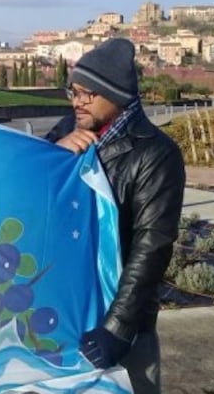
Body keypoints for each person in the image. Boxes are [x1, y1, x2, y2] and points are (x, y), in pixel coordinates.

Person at [45, 38, 185, 394]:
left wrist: (118, 329)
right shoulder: (67, 130)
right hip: (62, 307)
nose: (77, 102)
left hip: (120, 320)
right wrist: (54, 156)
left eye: (87, 93)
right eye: (73, 91)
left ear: (117, 94)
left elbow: (152, 247)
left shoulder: (156, 154)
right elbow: (32, 190)